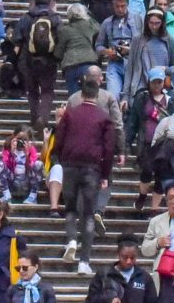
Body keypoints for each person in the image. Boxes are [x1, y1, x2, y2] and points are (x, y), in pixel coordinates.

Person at [53, 73, 119, 271]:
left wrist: (61, 159)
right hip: (92, 168)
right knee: (89, 214)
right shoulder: (104, 117)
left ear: (81, 95)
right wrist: (106, 174)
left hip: (70, 165)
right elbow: (109, 148)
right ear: (97, 95)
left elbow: (59, 138)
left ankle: (72, 240)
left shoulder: (70, 114)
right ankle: (84, 261)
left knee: (71, 208)